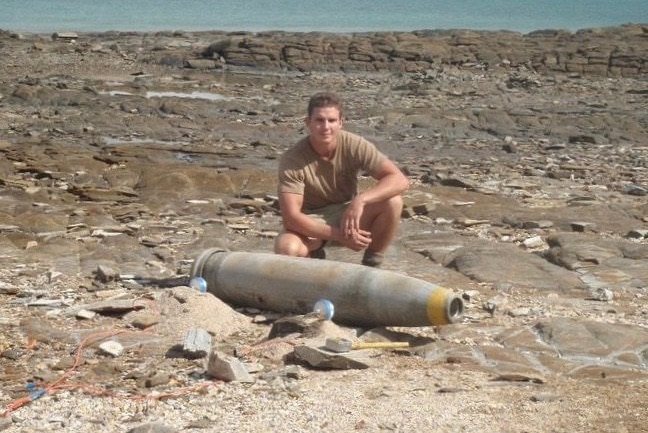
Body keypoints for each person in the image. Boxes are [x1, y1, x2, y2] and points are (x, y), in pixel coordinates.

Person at [274, 92, 410, 267]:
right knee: (286, 248)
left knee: (393, 201)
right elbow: (291, 218)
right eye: (319, 120)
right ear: (308, 123)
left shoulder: (355, 145)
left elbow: (399, 180)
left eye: (331, 120)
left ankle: (372, 263)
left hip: (347, 215)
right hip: (312, 222)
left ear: (341, 123)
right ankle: (311, 263)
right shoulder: (293, 159)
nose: (325, 127)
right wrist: (340, 236)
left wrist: (360, 201)